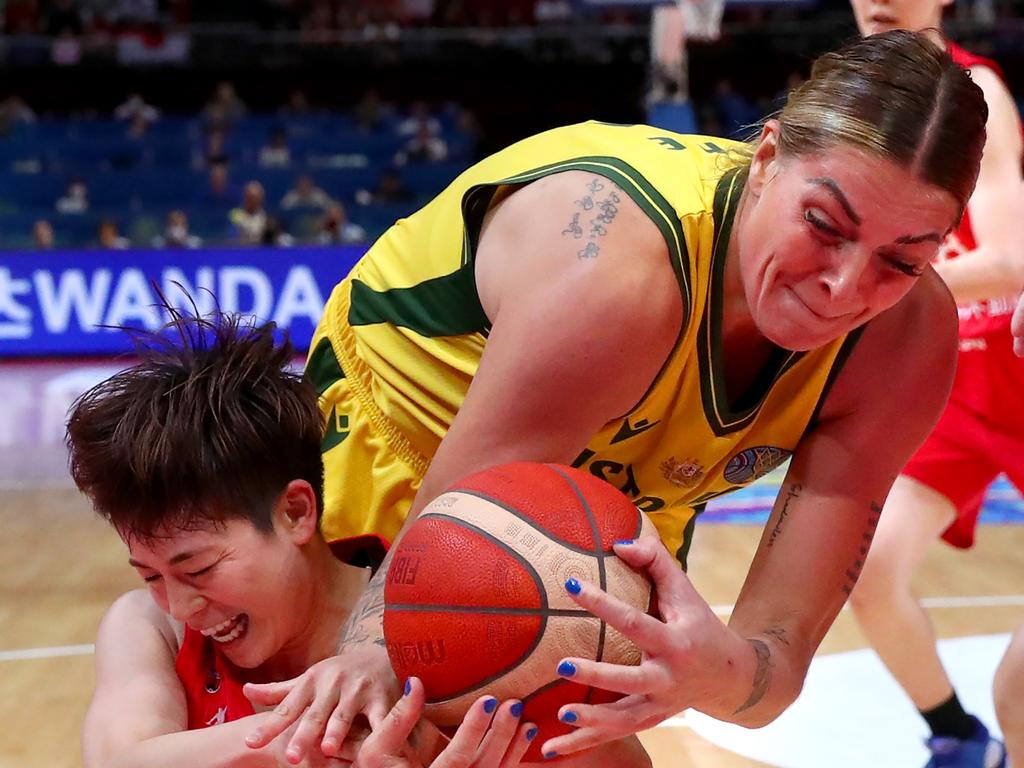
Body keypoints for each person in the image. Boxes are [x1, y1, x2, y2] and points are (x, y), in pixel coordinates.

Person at [243, 30, 988, 767]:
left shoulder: (908, 342)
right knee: (367, 729)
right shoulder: (617, 274)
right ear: (764, 160)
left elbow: (773, 673)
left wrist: (711, 670)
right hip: (404, 429)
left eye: (900, 259)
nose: (844, 286)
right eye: (824, 225)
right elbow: (446, 544)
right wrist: (376, 651)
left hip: (619, 490)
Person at [67, 308, 537, 768]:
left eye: (198, 570)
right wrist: (308, 737)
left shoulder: (442, 622)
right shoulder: (150, 626)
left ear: (295, 512)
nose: (181, 606)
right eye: (150, 574)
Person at [844, 4, 1024, 767]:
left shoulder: (972, 87)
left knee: (1020, 689)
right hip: (951, 385)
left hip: (1014, 368)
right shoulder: (849, 102)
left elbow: (1013, 258)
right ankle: (956, 738)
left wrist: (875, 284)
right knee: (869, 571)